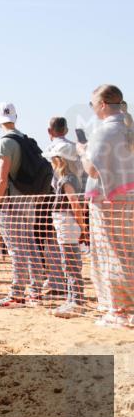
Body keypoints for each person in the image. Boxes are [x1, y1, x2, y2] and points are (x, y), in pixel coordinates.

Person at [78, 84, 134, 327]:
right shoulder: (128, 127)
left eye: (92, 105)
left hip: (109, 201)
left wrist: (82, 151)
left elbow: (92, 168)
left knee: (111, 255)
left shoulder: (105, 130)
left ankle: (119, 311)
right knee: (126, 254)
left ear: (102, 105)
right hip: (127, 197)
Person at [0, 102, 50, 308]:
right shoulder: (25, 140)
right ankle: (35, 291)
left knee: (16, 249)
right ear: (16, 117)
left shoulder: (4, 143)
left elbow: (2, 178)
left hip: (11, 202)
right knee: (31, 245)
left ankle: (16, 293)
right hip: (28, 200)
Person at [43, 142, 87, 318]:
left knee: (71, 264)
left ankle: (76, 301)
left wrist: (82, 225)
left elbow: (75, 204)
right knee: (68, 263)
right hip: (64, 225)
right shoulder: (66, 178)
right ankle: (72, 299)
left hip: (68, 225)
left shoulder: (68, 179)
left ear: (59, 160)